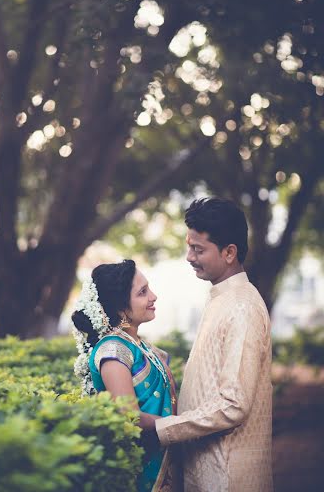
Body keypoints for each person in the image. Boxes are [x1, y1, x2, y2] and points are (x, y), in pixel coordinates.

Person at [156, 197, 273, 492]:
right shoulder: (222, 297)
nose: (189, 257)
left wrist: (161, 427)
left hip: (227, 477)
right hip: (205, 470)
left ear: (229, 252)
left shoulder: (242, 307)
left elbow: (234, 405)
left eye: (198, 249)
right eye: (189, 246)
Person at [72, 259, 179, 492]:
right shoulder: (113, 350)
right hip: (142, 471)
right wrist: (180, 426)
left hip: (167, 460)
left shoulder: (140, 346)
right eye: (142, 293)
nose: (153, 296)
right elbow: (128, 416)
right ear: (121, 309)